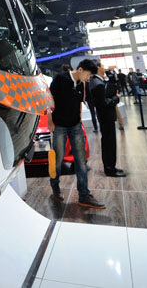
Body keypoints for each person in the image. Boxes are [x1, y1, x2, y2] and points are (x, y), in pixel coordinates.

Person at [47, 60, 106, 208]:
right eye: (88, 74)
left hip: (75, 126)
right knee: (59, 158)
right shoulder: (60, 79)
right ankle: (55, 184)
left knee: (81, 161)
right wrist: (50, 121)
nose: (88, 78)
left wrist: (79, 120)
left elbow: (79, 102)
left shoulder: (81, 84)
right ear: (80, 69)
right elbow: (48, 100)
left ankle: (84, 195)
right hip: (59, 125)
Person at [90, 62, 126, 177]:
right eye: (102, 65)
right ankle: (110, 169)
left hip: (105, 117)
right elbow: (103, 103)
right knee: (109, 143)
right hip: (106, 116)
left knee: (109, 143)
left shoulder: (98, 81)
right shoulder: (98, 83)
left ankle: (111, 167)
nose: (104, 67)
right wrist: (116, 98)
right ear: (98, 68)